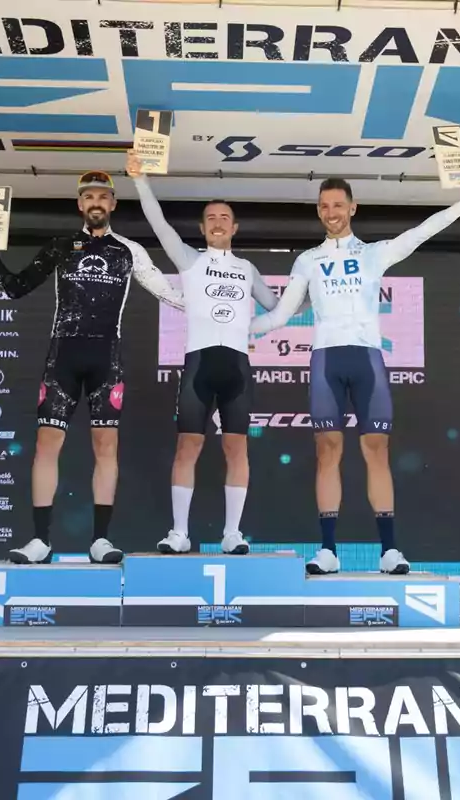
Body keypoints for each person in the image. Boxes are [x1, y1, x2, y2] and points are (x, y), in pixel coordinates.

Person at [249, 176, 460, 574]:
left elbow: (418, 234)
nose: (331, 213)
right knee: (328, 452)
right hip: (326, 359)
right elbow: (281, 315)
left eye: (338, 205)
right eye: (324, 206)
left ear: (352, 208)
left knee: (377, 451)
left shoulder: (374, 254)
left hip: (367, 359)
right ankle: (327, 551)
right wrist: (235, 328)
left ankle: (390, 551)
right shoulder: (307, 260)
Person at [0, 170, 184, 566]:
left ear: (113, 204)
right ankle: (40, 541)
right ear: (80, 205)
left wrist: (221, 309)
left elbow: (169, 294)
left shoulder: (128, 250)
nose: (96, 203)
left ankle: (100, 540)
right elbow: (17, 287)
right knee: (47, 446)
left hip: (107, 359)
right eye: (89, 198)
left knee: (107, 447)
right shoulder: (61, 246)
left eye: (103, 196)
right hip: (62, 357)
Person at [126, 150, 283, 554]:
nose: (217, 223)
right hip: (198, 364)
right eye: (210, 218)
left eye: (224, 218)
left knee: (237, 447)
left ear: (235, 226)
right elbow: (158, 225)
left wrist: (313, 290)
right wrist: (140, 179)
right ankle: (180, 532)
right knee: (187, 446)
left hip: (237, 366)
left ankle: (232, 534)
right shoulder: (189, 260)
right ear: (202, 227)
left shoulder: (247, 269)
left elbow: (279, 308)